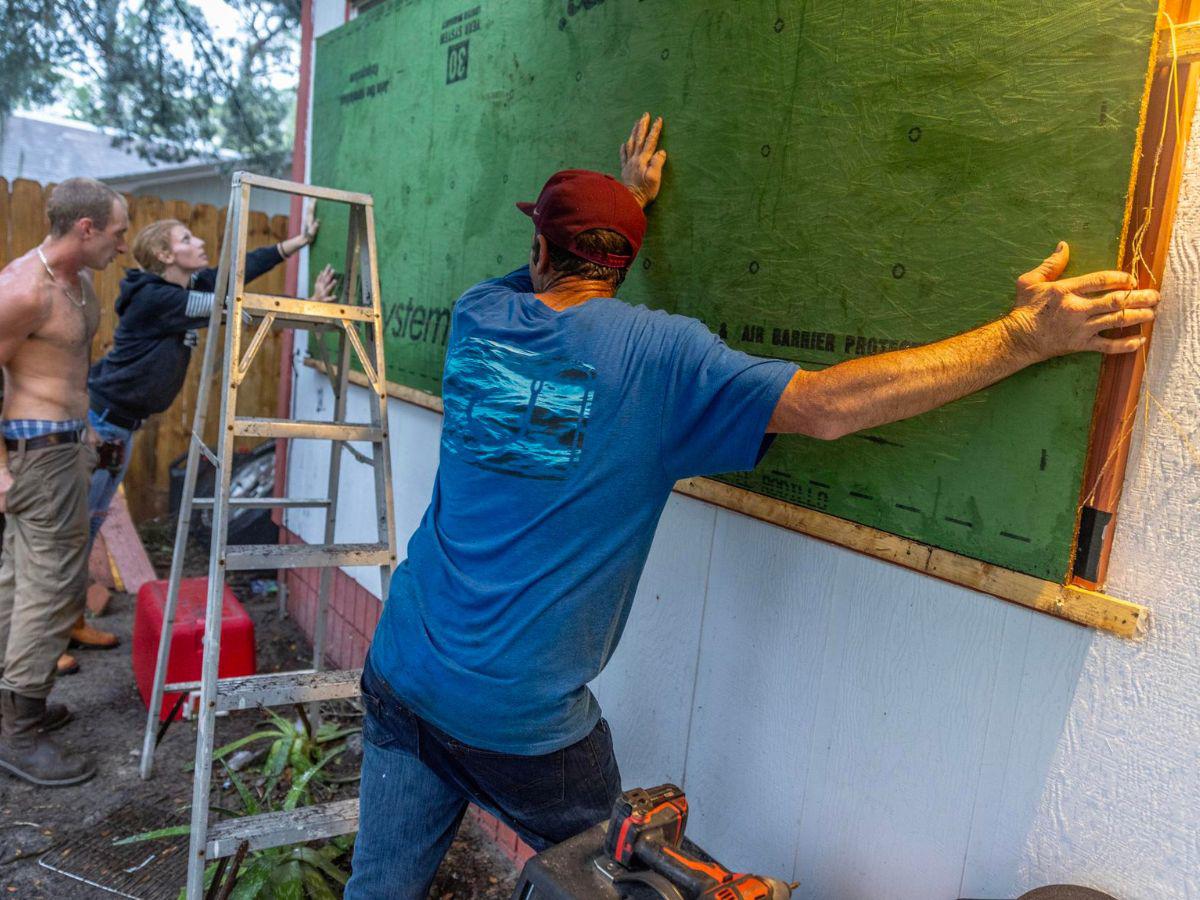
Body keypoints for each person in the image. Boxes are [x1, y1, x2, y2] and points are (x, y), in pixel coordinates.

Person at [345, 114, 1159, 897]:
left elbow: (561, 300)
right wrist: (1021, 337)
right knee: (622, 878)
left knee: (378, 888)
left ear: (537, 249)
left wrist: (624, 204)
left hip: (402, 664)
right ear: (623, 262)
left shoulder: (478, 316)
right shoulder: (660, 361)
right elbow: (828, 406)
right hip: (517, 723)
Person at [85, 203, 337, 552]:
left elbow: (238, 272)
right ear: (164, 254)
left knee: (88, 522)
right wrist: (310, 305)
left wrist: (296, 243)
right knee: (80, 525)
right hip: (101, 426)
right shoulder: (155, 298)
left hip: (119, 426)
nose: (199, 241)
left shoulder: (186, 287)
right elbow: (236, 309)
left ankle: (62, 601)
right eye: (186, 238)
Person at [0, 177, 130, 787]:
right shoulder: (23, 289)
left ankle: (10, 708)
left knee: (18, 581)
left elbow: (64, 373)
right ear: (86, 229)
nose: (123, 245)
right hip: (34, 459)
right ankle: (20, 735)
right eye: (118, 232)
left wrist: (86, 436)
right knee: (53, 589)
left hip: (61, 447)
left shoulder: (74, 284)